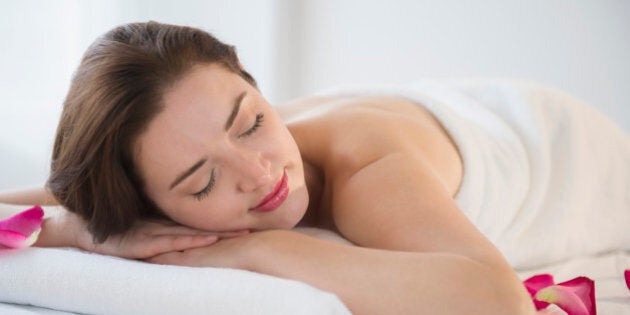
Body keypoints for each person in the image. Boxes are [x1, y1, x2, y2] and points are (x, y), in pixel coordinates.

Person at [1, 21, 628, 314]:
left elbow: (497, 302)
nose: (260, 171)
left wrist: (255, 252)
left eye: (251, 120)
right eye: (203, 181)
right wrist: (84, 229)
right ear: (149, 201)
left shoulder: (367, 172)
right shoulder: (172, 147)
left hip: (571, 151)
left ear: (254, 85)